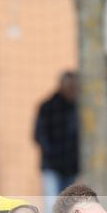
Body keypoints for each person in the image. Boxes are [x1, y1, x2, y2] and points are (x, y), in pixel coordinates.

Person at [34, 72, 79, 202]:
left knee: (68, 205)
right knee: (52, 203)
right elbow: (39, 135)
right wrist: (52, 153)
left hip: (71, 167)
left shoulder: (78, 109)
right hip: (51, 165)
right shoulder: (48, 107)